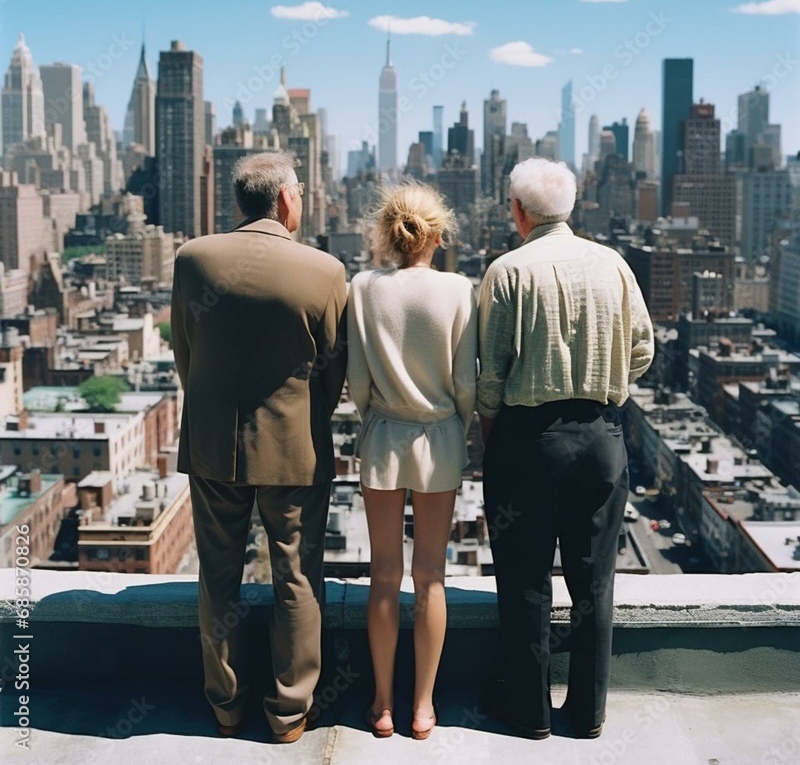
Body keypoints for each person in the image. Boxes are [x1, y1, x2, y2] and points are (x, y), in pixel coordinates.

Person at [171, 151, 347, 744]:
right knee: (296, 575)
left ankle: (225, 707)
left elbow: (185, 353)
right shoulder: (324, 271)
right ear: (286, 199)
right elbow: (332, 372)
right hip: (294, 449)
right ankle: (289, 713)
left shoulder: (193, 258)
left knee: (216, 576)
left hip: (213, 443)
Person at [478, 157, 654, 741]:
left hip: (529, 440)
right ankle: (589, 714)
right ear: (572, 208)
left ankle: (530, 714)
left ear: (518, 210)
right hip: (602, 437)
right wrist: (609, 390)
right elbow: (644, 348)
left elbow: (491, 374)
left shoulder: (506, 272)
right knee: (594, 579)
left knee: (526, 578)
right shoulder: (615, 266)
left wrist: (494, 424)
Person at [347, 184, 477, 740]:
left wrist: (378, 414)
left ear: (387, 233)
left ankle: (381, 705)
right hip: (440, 439)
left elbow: (356, 383)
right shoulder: (457, 289)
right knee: (430, 579)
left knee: (383, 576)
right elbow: (467, 384)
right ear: (438, 235)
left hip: (382, 437)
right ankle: (422, 708)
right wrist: (455, 427)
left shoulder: (362, 287)